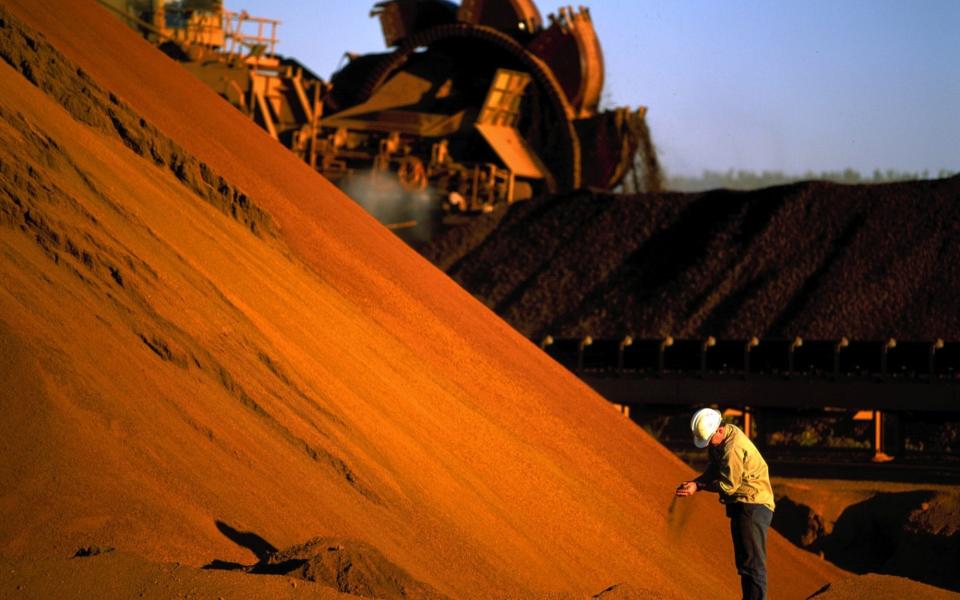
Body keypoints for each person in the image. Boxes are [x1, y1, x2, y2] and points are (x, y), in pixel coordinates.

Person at [675, 408, 775, 600]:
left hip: (753, 505)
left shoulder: (733, 448)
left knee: (753, 564)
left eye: (709, 439)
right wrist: (696, 482)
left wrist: (699, 486)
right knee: (744, 564)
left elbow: (728, 486)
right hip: (741, 504)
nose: (708, 445)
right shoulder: (720, 439)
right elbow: (714, 469)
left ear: (719, 430)